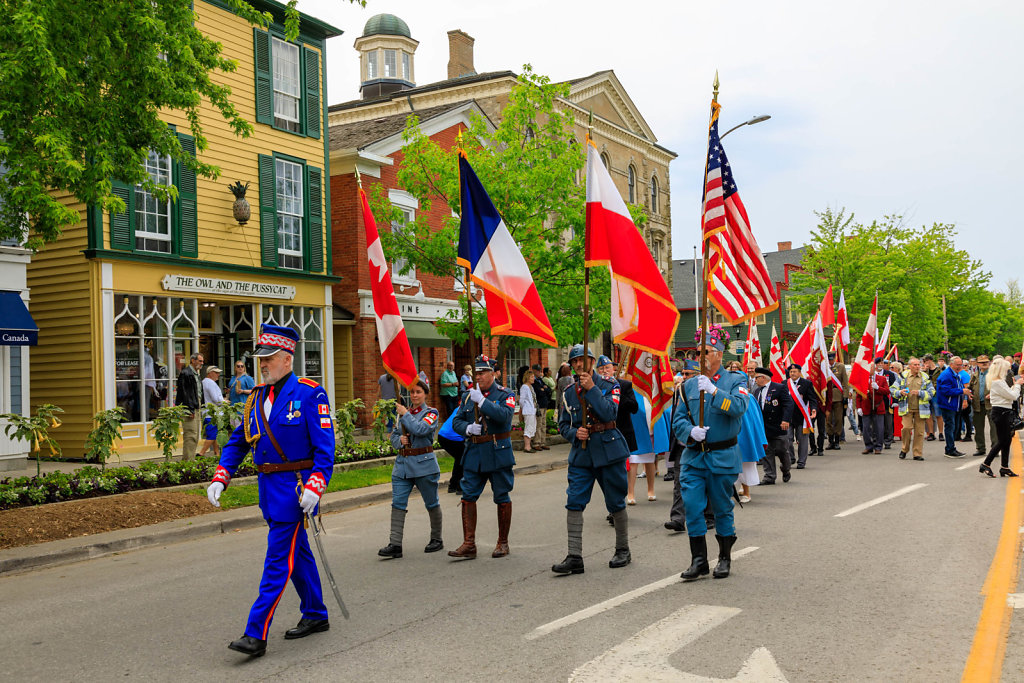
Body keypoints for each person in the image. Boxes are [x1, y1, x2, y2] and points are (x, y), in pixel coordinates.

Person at [205, 324, 335, 658]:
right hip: (269, 490)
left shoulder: (309, 393)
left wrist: (315, 486)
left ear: (288, 359)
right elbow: (237, 442)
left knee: (277, 561)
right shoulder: (256, 398)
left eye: (270, 358)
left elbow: (325, 450)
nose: (263, 364)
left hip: (295, 492)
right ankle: (316, 613)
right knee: (299, 554)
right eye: (261, 358)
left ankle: (255, 633)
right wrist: (221, 476)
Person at [672, 325, 749, 581]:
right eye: (697, 352)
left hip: (722, 456)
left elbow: (738, 407)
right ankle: (699, 560)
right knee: (693, 507)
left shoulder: (736, 380)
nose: (700, 356)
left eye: (706, 351)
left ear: (719, 354)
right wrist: (689, 432)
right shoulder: (688, 386)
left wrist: (715, 392)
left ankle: (725, 558)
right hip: (694, 457)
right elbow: (678, 420)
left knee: (721, 509)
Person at [552, 344, 631, 574]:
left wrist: (592, 388)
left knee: (616, 501)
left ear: (592, 361)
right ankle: (574, 555)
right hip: (582, 453)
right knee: (574, 500)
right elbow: (563, 424)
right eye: (574, 361)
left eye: (582, 360)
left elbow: (609, 413)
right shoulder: (568, 392)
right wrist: (573, 433)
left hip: (608, 450)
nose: (578, 364)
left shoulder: (609, 385)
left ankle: (622, 549)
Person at [449, 354, 516, 560]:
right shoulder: (469, 396)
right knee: (468, 496)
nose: (478, 376)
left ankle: (502, 543)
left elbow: (505, 416)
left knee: (501, 496)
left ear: (493, 373)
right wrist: (468, 428)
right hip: (475, 453)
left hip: (497, 451)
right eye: (476, 372)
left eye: (483, 372)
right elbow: (456, 421)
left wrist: (484, 402)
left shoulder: (506, 394)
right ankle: (469, 544)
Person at [378, 379, 443, 559]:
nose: (414, 395)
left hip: (424, 464)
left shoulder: (431, 413)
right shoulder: (404, 414)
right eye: (412, 392)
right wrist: (399, 441)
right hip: (402, 466)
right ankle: (395, 544)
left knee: (431, 503)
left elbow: (421, 429)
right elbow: (394, 435)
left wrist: (406, 413)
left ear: (425, 394)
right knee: (398, 503)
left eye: (418, 392)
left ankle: (437, 538)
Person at [666, 360, 700, 532]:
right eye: (683, 373)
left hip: (701, 445)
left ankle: (709, 516)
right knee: (679, 482)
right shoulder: (679, 391)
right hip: (682, 444)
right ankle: (678, 518)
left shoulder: (703, 391)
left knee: (705, 481)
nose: (684, 377)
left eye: (688, 374)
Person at [627, 373, 671, 504]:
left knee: (650, 460)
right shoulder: (633, 390)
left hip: (651, 430)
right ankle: (631, 493)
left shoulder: (654, 392)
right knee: (634, 460)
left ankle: (651, 490)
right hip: (637, 431)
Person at [980, 357, 1024, 477]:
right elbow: (1013, 396)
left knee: (1007, 440)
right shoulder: (998, 382)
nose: (1007, 371)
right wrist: (1018, 385)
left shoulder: (997, 381)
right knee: (1003, 440)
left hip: (1002, 411)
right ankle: (986, 464)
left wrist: (1014, 386)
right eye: (1005, 369)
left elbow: (1006, 394)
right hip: (1001, 412)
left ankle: (1004, 467)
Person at [753, 367, 793, 485]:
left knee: (782, 450)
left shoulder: (779, 388)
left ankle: (786, 469)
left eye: (756, 377)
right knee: (766, 451)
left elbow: (788, 404)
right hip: (763, 427)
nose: (755, 380)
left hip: (778, 425)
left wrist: (785, 420)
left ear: (763, 378)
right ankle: (769, 476)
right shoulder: (756, 391)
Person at [735, 369, 768, 503]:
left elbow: (754, 419)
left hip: (744, 435)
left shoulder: (748, 397)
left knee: (745, 465)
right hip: (731, 434)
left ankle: (747, 492)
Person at [892, 357, 934, 461]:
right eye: (915, 365)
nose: (917, 367)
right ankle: (904, 449)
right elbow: (892, 389)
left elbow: (932, 392)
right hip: (906, 408)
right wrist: (900, 392)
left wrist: (920, 393)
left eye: (918, 365)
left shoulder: (925, 377)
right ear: (909, 366)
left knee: (919, 432)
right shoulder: (903, 376)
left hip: (921, 409)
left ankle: (917, 453)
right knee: (906, 428)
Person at [786, 364, 817, 469]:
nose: (792, 374)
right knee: (787, 439)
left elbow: (812, 398)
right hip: (788, 417)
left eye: (794, 372)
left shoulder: (806, 384)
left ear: (799, 372)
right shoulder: (785, 383)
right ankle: (791, 458)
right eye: (791, 372)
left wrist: (813, 409)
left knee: (802, 440)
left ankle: (801, 461)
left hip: (802, 417)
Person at [935, 355, 967, 457]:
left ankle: (951, 448)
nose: (960, 366)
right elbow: (945, 390)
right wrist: (962, 391)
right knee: (950, 427)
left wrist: (965, 395)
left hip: (954, 404)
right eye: (957, 365)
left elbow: (958, 386)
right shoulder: (946, 375)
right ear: (951, 364)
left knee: (954, 427)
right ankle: (950, 449)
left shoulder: (955, 374)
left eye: (961, 364)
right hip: (947, 405)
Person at [856, 360, 890, 454]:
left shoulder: (881, 379)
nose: (868, 369)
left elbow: (887, 391)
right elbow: (858, 395)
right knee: (866, 428)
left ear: (873, 368)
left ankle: (878, 447)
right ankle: (868, 446)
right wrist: (858, 407)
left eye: (869, 367)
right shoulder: (862, 379)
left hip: (878, 406)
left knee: (879, 428)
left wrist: (878, 388)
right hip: (866, 407)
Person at [175, 352, 203, 460]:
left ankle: (190, 460)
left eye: (202, 361)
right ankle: (188, 462)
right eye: (200, 361)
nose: (201, 363)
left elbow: (198, 392)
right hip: (190, 407)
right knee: (190, 435)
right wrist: (189, 409)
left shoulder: (195, 374)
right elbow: (184, 393)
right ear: (193, 360)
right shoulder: (186, 373)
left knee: (195, 435)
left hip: (196, 405)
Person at [968, 355, 995, 456]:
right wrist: (969, 394)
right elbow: (970, 387)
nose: (984, 364)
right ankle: (980, 448)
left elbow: (1001, 388)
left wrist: (993, 394)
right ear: (977, 364)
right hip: (977, 404)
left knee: (994, 428)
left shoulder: (994, 375)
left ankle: (994, 449)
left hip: (991, 404)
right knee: (978, 428)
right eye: (982, 362)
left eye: (986, 362)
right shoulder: (975, 375)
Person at [196, 366, 224, 458]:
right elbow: (216, 399)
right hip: (212, 414)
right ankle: (201, 453)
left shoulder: (204, 382)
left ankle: (217, 453)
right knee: (212, 435)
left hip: (207, 413)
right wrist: (225, 402)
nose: (218, 375)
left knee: (214, 434)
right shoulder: (211, 383)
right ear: (210, 373)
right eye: (216, 373)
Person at [437, 408, 465, 495]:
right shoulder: (471, 408)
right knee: (463, 459)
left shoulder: (460, 407)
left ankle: (453, 485)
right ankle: (459, 487)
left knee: (459, 459)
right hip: (453, 437)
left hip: (443, 435)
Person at [826, 353, 848, 450]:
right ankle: (830, 441)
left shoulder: (840, 366)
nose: (831, 361)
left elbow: (845, 382)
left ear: (834, 358)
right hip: (827, 397)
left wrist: (845, 396)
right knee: (828, 420)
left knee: (838, 420)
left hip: (838, 396)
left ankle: (837, 440)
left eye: (832, 359)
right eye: (829, 359)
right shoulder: (824, 367)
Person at [531, 364, 552, 451]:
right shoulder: (534, 382)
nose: (540, 372)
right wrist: (543, 389)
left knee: (543, 424)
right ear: (534, 371)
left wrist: (545, 389)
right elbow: (539, 393)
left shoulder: (540, 380)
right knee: (538, 424)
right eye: (538, 371)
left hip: (544, 404)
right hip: (539, 405)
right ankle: (537, 442)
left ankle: (543, 442)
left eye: (540, 371)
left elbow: (549, 390)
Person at [519, 368, 538, 453]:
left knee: (532, 428)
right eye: (532, 377)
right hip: (528, 410)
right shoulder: (524, 387)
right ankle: (527, 447)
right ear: (527, 377)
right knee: (528, 428)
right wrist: (524, 407)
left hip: (532, 410)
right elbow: (522, 400)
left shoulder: (531, 387)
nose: (533, 378)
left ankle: (529, 445)